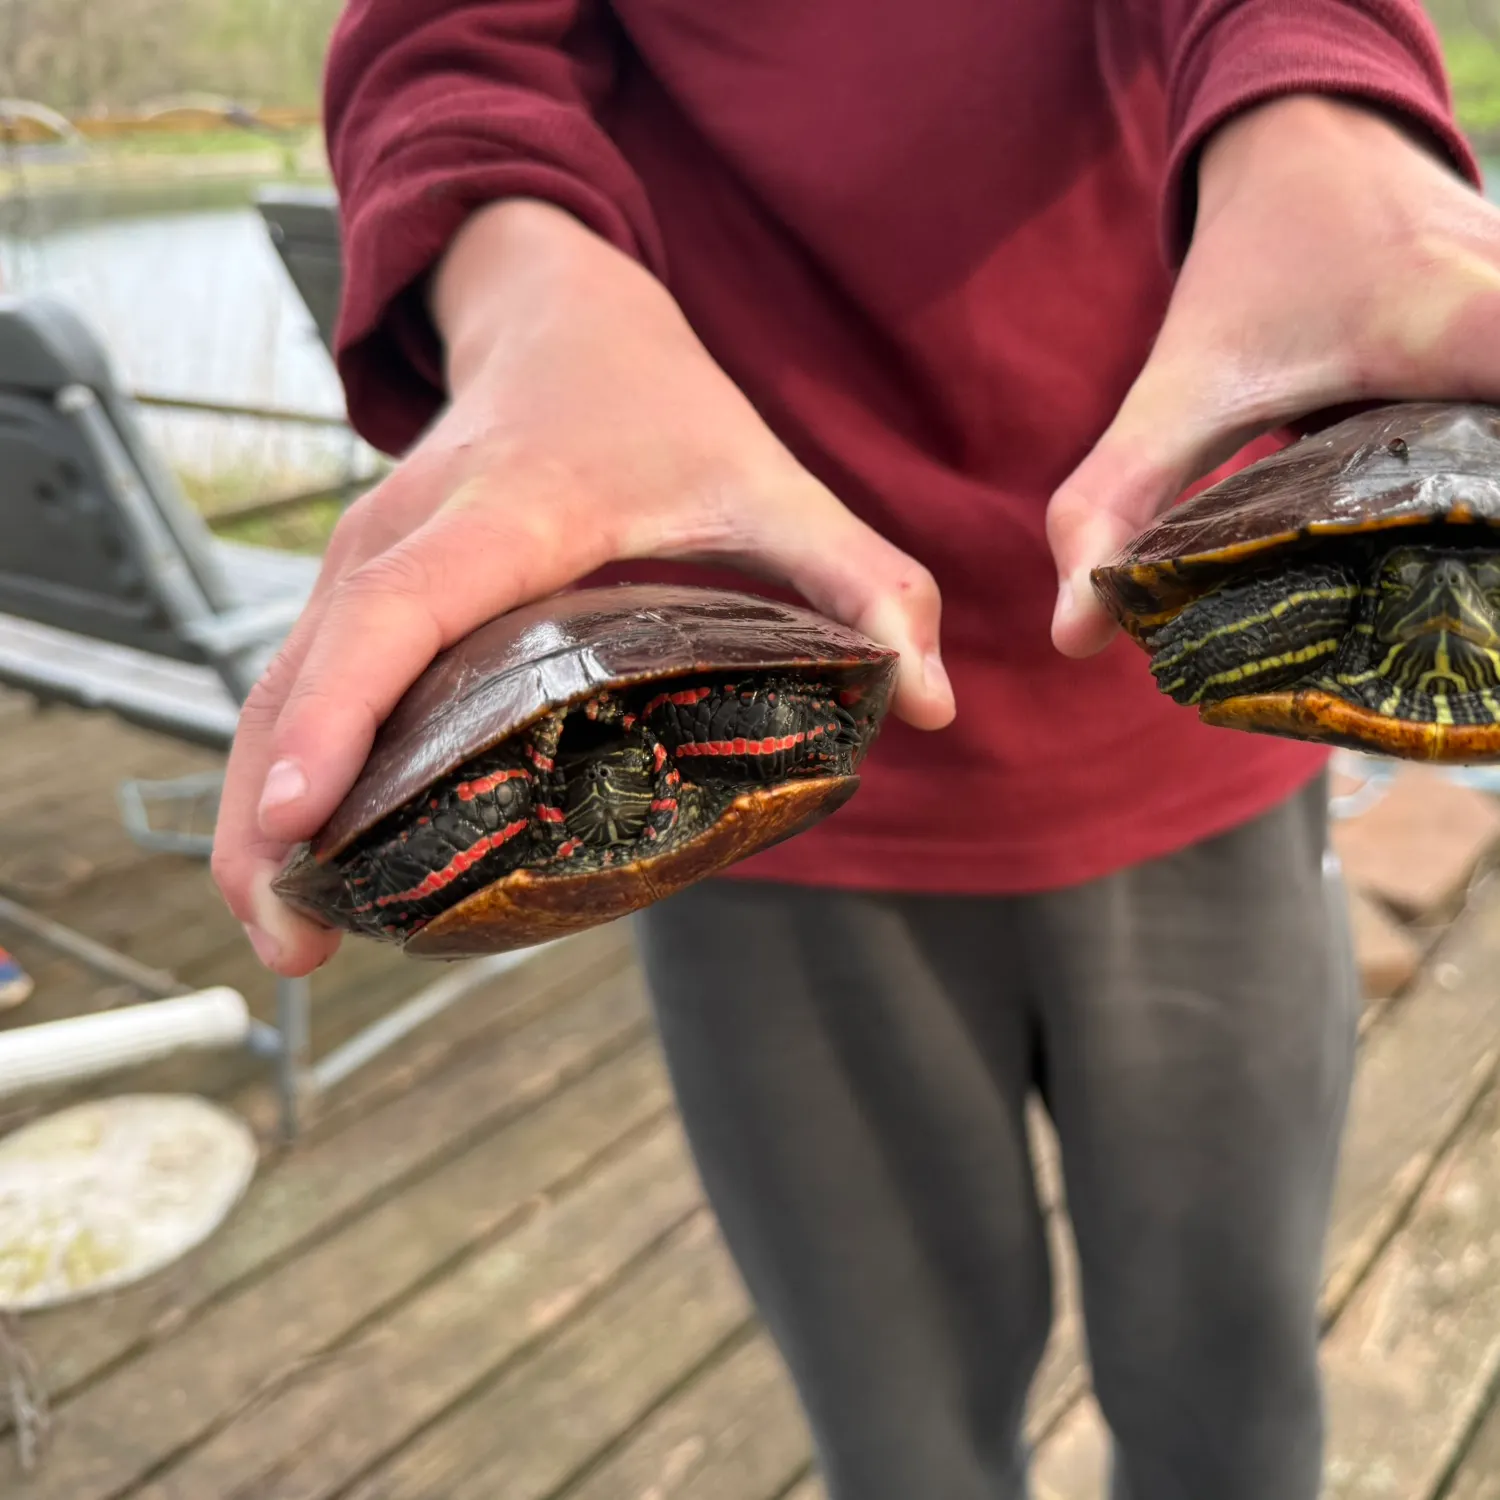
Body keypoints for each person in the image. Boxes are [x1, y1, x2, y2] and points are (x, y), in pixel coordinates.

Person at [212, 3, 1500, 1495]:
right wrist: (526, 297)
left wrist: (1327, 106)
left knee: (1234, 1392)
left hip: (1184, 731)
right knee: (904, 1441)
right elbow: (451, 43)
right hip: (749, 774)